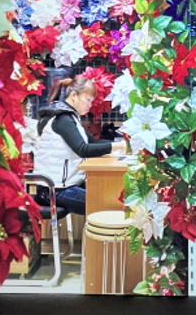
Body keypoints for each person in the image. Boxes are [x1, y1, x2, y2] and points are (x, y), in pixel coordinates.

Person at [32, 76, 126, 215]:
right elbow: (83, 149)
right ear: (74, 95)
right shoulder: (62, 119)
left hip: (61, 186)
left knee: (109, 199)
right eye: (88, 100)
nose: (90, 105)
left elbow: (92, 143)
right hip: (54, 191)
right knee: (108, 203)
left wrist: (120, 145)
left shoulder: (70, 117)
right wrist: (119, 147)